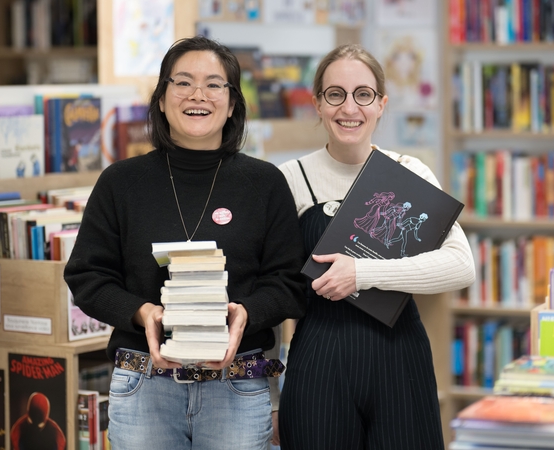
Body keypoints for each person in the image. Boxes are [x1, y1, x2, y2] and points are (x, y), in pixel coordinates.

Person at [63, 35, 306, 450]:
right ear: (161, 98)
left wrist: (245, 314)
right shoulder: (120, 182)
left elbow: (290, 283)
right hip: (144, 387)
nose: (198, 95)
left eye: (215, 84)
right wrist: (142, 314)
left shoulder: (265, 183)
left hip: (238, 385)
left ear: (232, 104)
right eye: (183, 82)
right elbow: (87, 277)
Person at [277, 44, 476, 449]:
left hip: (399, 359)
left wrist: (362, 274)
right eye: (335, 94)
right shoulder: (289, 179)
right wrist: (271, 394)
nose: (349, 108)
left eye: (363, 94)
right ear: (317, 103)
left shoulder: (407, 172)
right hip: (318, 362)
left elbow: (461, 265)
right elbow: (273, 289)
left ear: (381, 104)